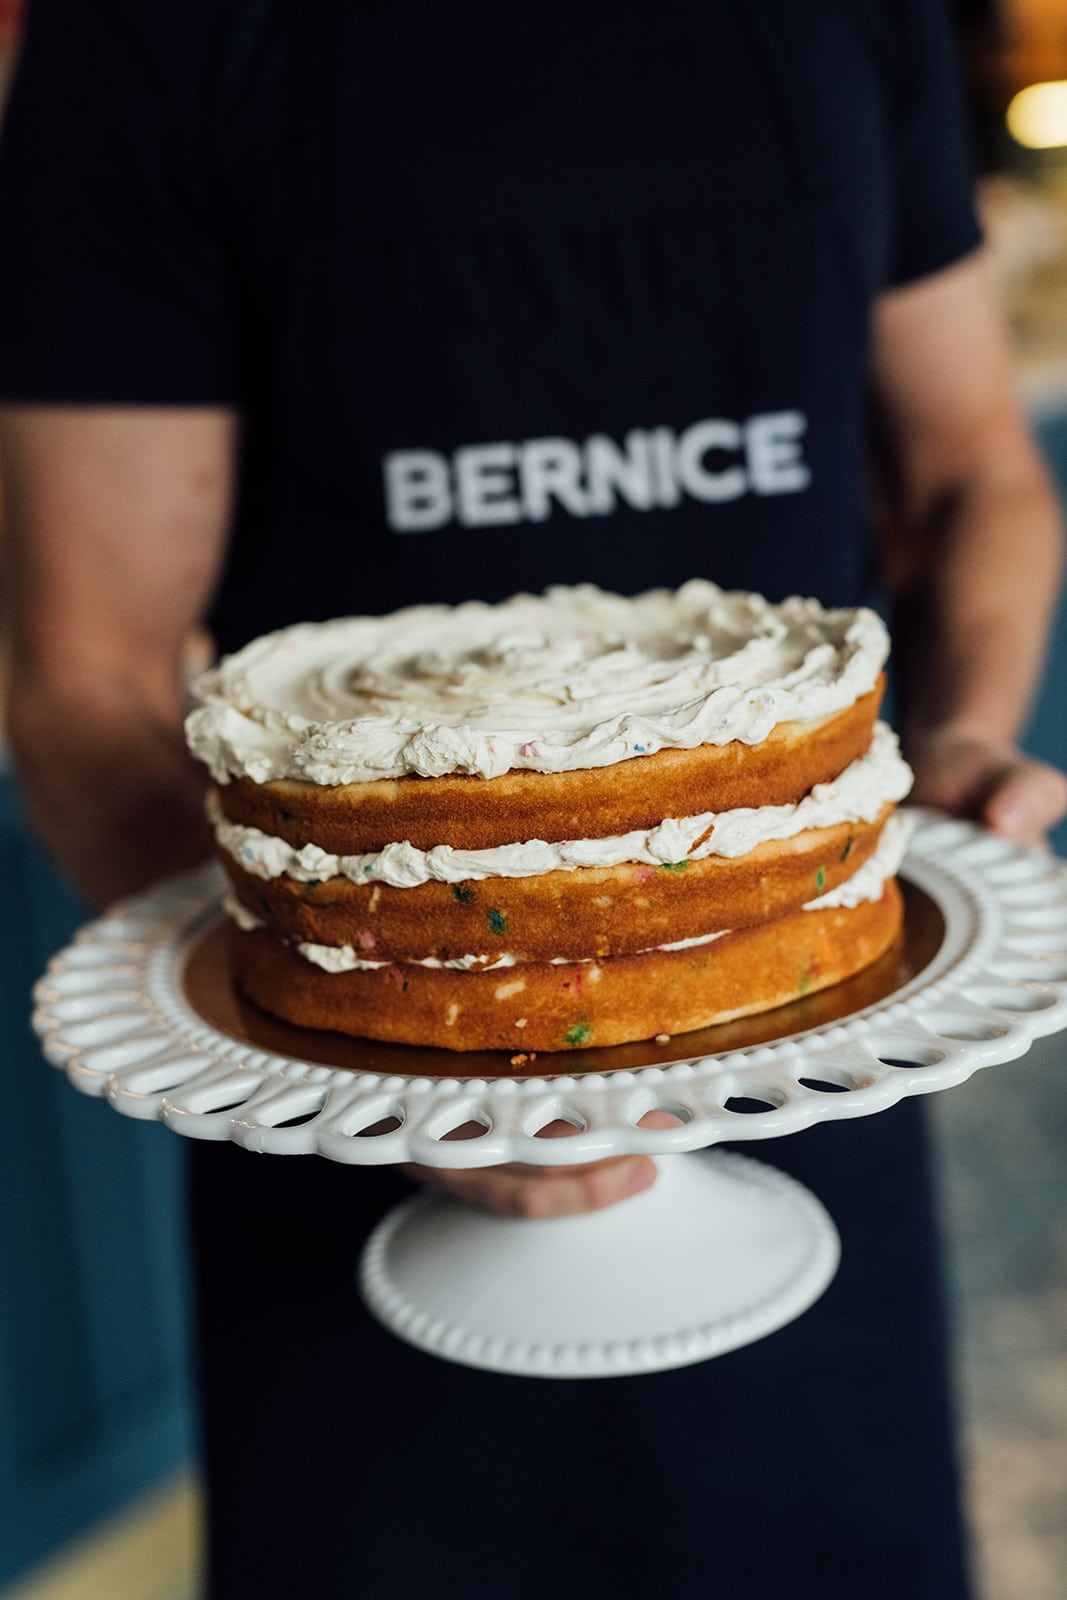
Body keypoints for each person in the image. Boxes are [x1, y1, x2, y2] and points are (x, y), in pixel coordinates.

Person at [2, 2, 1065, 1595]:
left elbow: (978, 467)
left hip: (798, 1033)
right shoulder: (149, 38)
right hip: (352, 1113)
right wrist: (381, 1074)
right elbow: (84, 670)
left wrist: (962, 735)